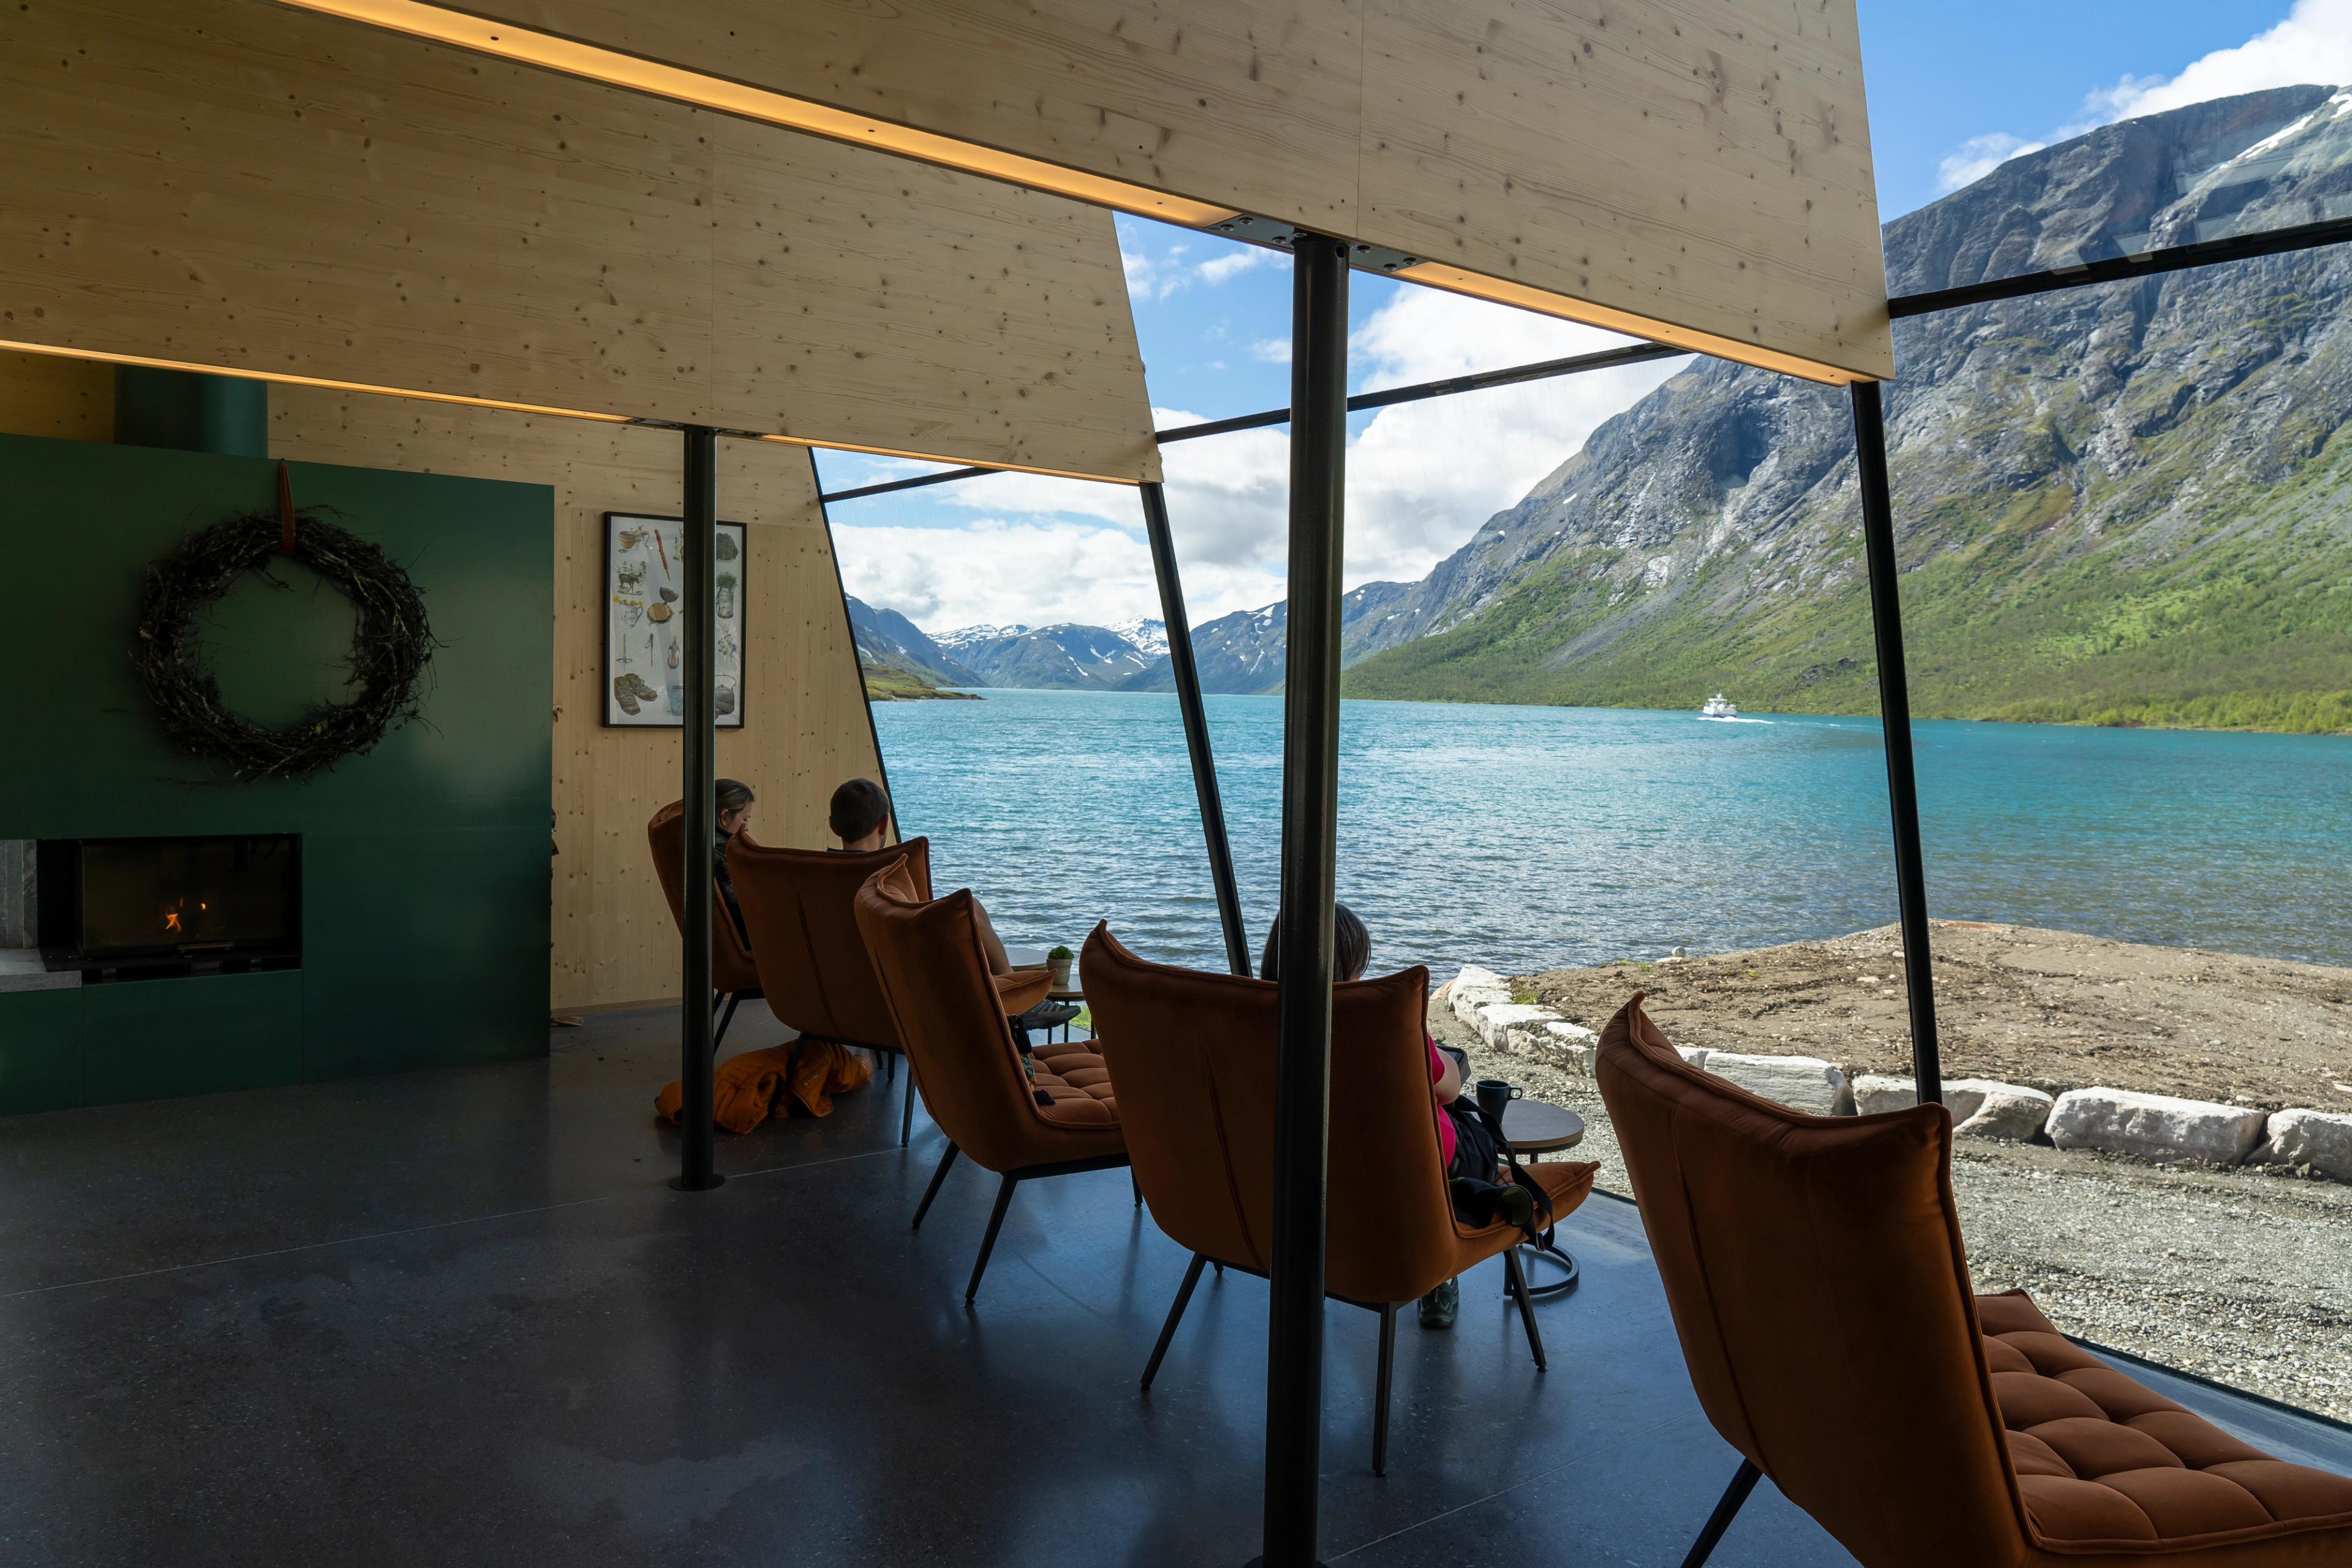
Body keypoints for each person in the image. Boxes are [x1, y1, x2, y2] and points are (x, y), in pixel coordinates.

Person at [1258, 902, 1530, 1331]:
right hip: (1401, 1171)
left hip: (1305, 1172)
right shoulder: (1381, 1017)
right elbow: (1449, 1088)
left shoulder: (1251, 1015)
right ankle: (1440, 1264)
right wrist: (1432, 1050)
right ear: (1349, 966)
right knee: (1469, 1129)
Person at [827, 777, 1076, 1041]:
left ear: (833, 825)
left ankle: (1014, 997)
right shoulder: (889, 878)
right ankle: (1019, 998)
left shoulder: (815, 877)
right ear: (884, 823)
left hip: (839, 998)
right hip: (900, 998)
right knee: (971, 909)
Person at [714, 778, 755, 942]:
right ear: (724, 817)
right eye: (745, 819)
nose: (748, 828)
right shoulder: (729, 856)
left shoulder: (699, 846)